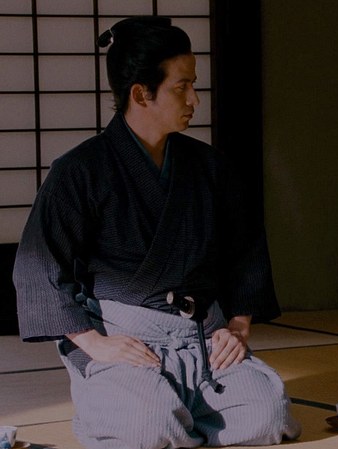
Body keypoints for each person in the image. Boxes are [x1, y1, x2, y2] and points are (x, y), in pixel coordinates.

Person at [13, 17, 300, 448]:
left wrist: (238, 328)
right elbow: (40, 266)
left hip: (202, 336)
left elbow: (246, 253)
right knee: (151, 428)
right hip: (127, 339)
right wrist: (95, 343)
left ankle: (177, 406)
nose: (194, 99)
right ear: (140, 94)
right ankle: (125, 400)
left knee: (267, 416)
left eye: (193, 85)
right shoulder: (79, 171)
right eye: (181, 87)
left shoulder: (210, 167)